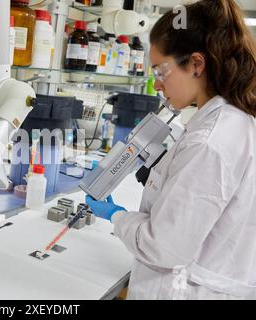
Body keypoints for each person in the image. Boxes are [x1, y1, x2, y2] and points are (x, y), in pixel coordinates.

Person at [86, 0, 256, 300]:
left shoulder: (210, 141)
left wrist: (117, 216)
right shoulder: (234, 120)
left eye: (161, 72)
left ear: (195, 64)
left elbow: (163, 247)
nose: (157, 85)